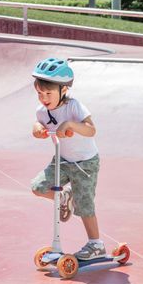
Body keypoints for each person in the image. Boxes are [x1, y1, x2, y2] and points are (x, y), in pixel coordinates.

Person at [30, 57, 105, 260]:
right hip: (61, 160)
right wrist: (37, 129)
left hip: (85, 163)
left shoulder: (74, 107)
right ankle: (63, 197)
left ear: (63, 90)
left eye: (48, 93)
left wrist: (71, 125)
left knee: (84, 205)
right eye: (39, 93)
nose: (44, 98)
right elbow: (39, 126)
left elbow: (91, 130)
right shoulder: (42, 111)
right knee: (38, 187)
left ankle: (96, 244)